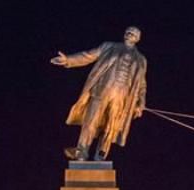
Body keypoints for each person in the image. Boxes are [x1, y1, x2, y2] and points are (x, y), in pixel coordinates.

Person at [51, 26, 147, 161]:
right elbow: (88, 56)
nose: (129, 34)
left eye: (133, 33)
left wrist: (141, 103)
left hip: (121, 98)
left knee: (110, 127)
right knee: (90, 121)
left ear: (138, 38)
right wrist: (68, 60)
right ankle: (81, 152)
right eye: (127, 32)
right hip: (102, 91)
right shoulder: (109, 47)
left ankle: (101, 155)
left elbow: (141, 84)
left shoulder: (141, 60)